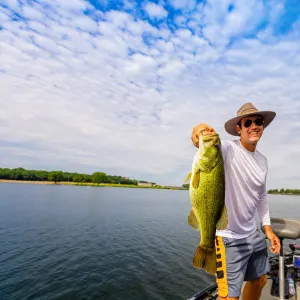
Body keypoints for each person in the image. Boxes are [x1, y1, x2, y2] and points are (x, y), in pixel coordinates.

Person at [191, 102, 281, 300]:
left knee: (259, 281)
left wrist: (267, 230)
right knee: (228, 296)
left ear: (263, 126)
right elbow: (200, 139)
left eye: (258, 121)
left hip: (253, 235)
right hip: (228, 238)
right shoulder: (226, 149)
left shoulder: (262, 161)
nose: (254, 126)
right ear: (238, 129)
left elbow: (262, 196)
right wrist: (200, 130)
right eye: (247, 122)